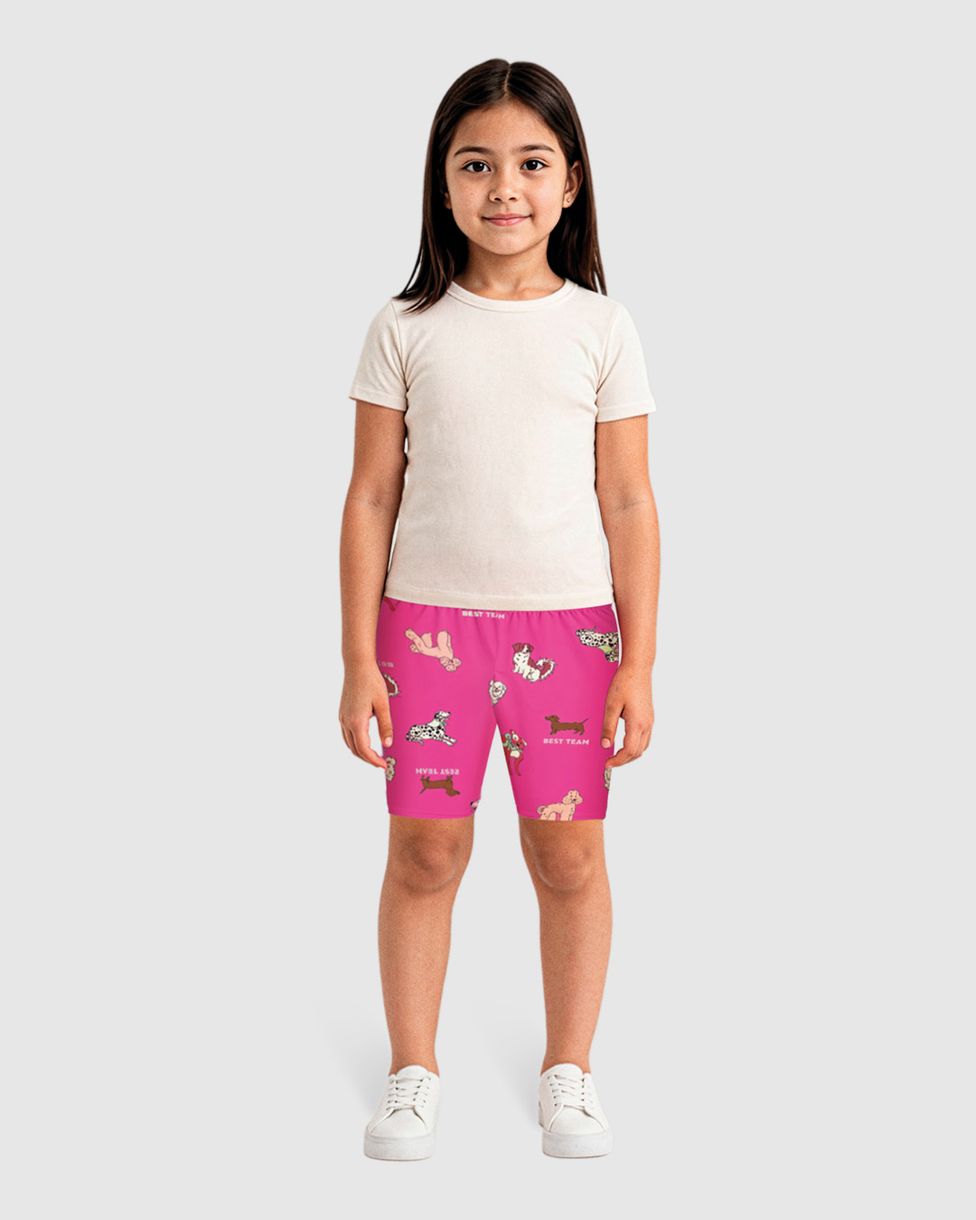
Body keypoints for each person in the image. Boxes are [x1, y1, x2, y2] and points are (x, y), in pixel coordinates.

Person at [339, 58, 660, 1161]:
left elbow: (629, 500)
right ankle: (412, 1070)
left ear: (570, 182)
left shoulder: (602, 328)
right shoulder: (404, 326)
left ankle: (569, 1070)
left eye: (531, 163)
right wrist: (358, 657)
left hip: (568, 635)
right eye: (476, 165)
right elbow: (370, 495)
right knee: (426, 851)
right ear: (442, 182)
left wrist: (638, 660)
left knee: (567, 857)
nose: (505, 188)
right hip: (426, 632)